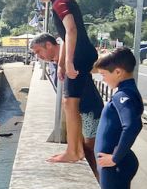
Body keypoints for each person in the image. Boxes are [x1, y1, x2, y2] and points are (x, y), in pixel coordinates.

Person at [30, 0, 100, 164]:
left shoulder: (60, 2)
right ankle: (75, 149)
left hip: (79, 55)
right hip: (81, 54)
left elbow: (71, 29)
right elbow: (63, 36)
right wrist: (61, 63)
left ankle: (73, 151)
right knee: (69, 102)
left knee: (70, 102)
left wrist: (68, 61)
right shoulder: (60, 1)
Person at [29, 32, 103, 175]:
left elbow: (66, 38)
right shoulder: (57, 64)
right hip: (81, 112)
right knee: (85, 150)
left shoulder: (70, 62)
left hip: (90, 111)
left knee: (91, 152)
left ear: (49, 45)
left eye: (38, 51)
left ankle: (101, 188)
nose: (38, 57)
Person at [93, 47, 143, 189]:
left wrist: (114, 157)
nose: (103, 79)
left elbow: (132, 125)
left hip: (115, 167)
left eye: (104, 75)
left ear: (118, 72)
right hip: (116, 164)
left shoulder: (123, 95)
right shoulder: (125, 92)